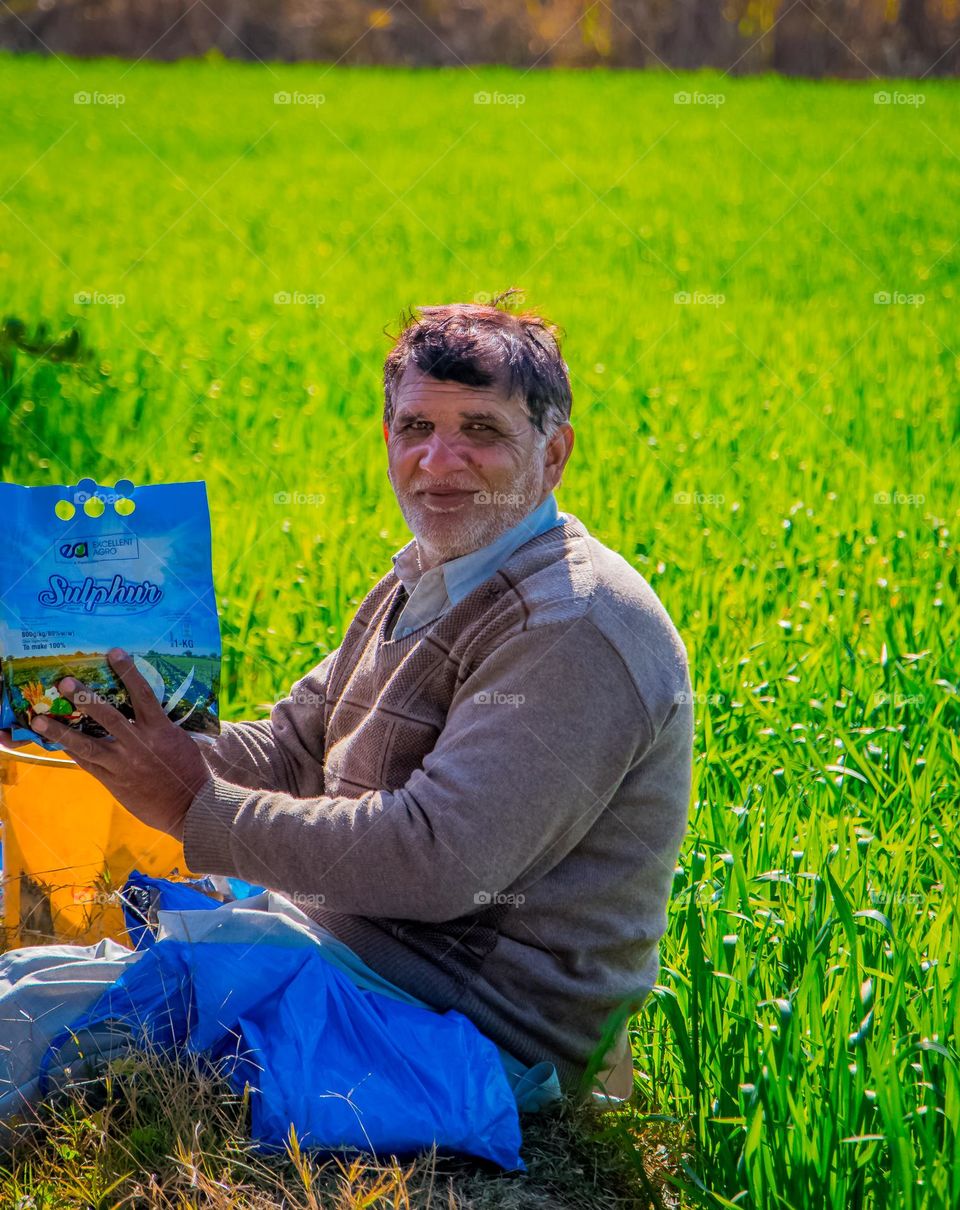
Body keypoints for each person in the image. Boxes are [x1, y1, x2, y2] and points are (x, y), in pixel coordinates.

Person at [3, 290, 694, 1106]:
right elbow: (293, 749)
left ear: (554, 453)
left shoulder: (574, 625)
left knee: (21, 1034)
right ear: (387, 437)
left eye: (481, 430)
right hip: (342, 960)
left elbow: (442, 861)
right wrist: (88, 726)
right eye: (417, 429)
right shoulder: (430, 576)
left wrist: (193, 803)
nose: (439, 463)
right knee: (31, 973)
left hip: (461, 1036)